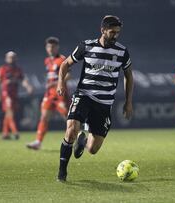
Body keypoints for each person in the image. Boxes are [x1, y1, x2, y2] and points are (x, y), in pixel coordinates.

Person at [55, 15, 134, 181]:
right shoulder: (87, 46)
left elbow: (128, 76)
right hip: (84, 95)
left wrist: (128, 102)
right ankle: (62, 172)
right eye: (112, 32)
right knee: (71, 131)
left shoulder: (122, 52)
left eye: (118, 32)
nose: (115, 35)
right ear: (102, 30)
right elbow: (65, 64)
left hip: (105, 103)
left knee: (93, 149)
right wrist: (61, 83)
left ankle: (82, 142)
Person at [27, 37, 70, 150]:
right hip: (49, 95)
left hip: (61, 94)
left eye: (53, 47)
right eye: (49, 46)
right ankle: (38, 141)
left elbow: (68, 75)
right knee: (44, 117)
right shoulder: (47, 60)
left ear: (57, 47)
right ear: (46, 48)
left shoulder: (62, 59)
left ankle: (80, 139)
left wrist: (56, 83)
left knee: (69, 118)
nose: (51, 49)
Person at [0, 51, 33, 140]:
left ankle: (5, 134)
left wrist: (28, 87)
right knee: (10, 113)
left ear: (16, 58)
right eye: (10, 57)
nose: (11, 59)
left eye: (13, 57)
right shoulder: (2, 69)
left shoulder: (18, 70)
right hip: (6, 94)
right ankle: (15, 132)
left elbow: (23, 80)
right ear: (6, 58)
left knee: (8, 114)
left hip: (14, 95)